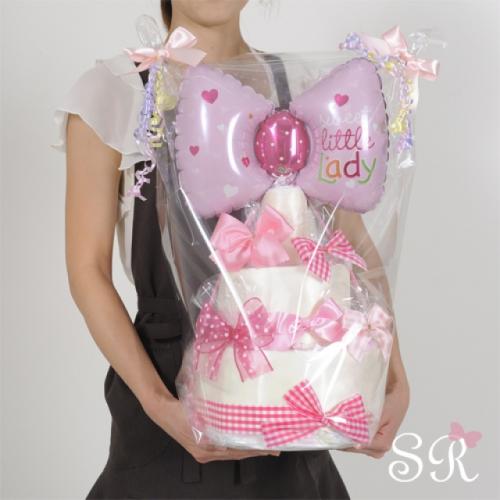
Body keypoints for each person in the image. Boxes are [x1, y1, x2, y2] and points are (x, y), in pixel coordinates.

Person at [55, 0, 410, 498]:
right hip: (164, 402)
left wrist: (393, 377)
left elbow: (351, 240)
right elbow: (87, 270)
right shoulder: (114, 91)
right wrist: (161, 406)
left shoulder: (301, 89)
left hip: (290, 383)